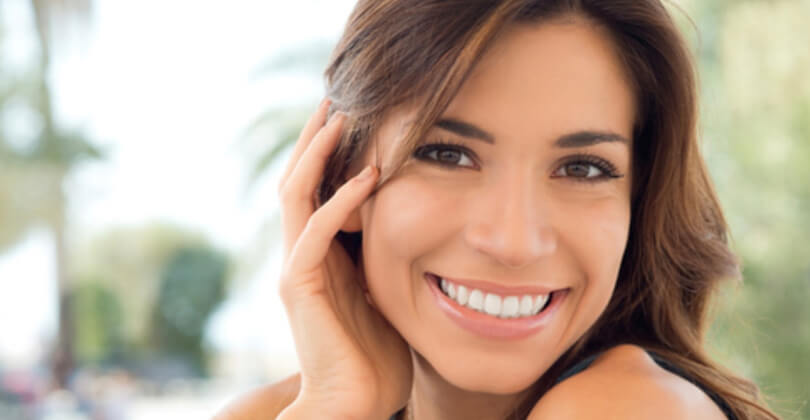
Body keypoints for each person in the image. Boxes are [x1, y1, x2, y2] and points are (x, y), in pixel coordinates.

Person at [215, 1, 780, 419]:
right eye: (447, 154)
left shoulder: (627, 408)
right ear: (337, 176)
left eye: (582, 168)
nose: (513, 241)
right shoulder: (284, 410)